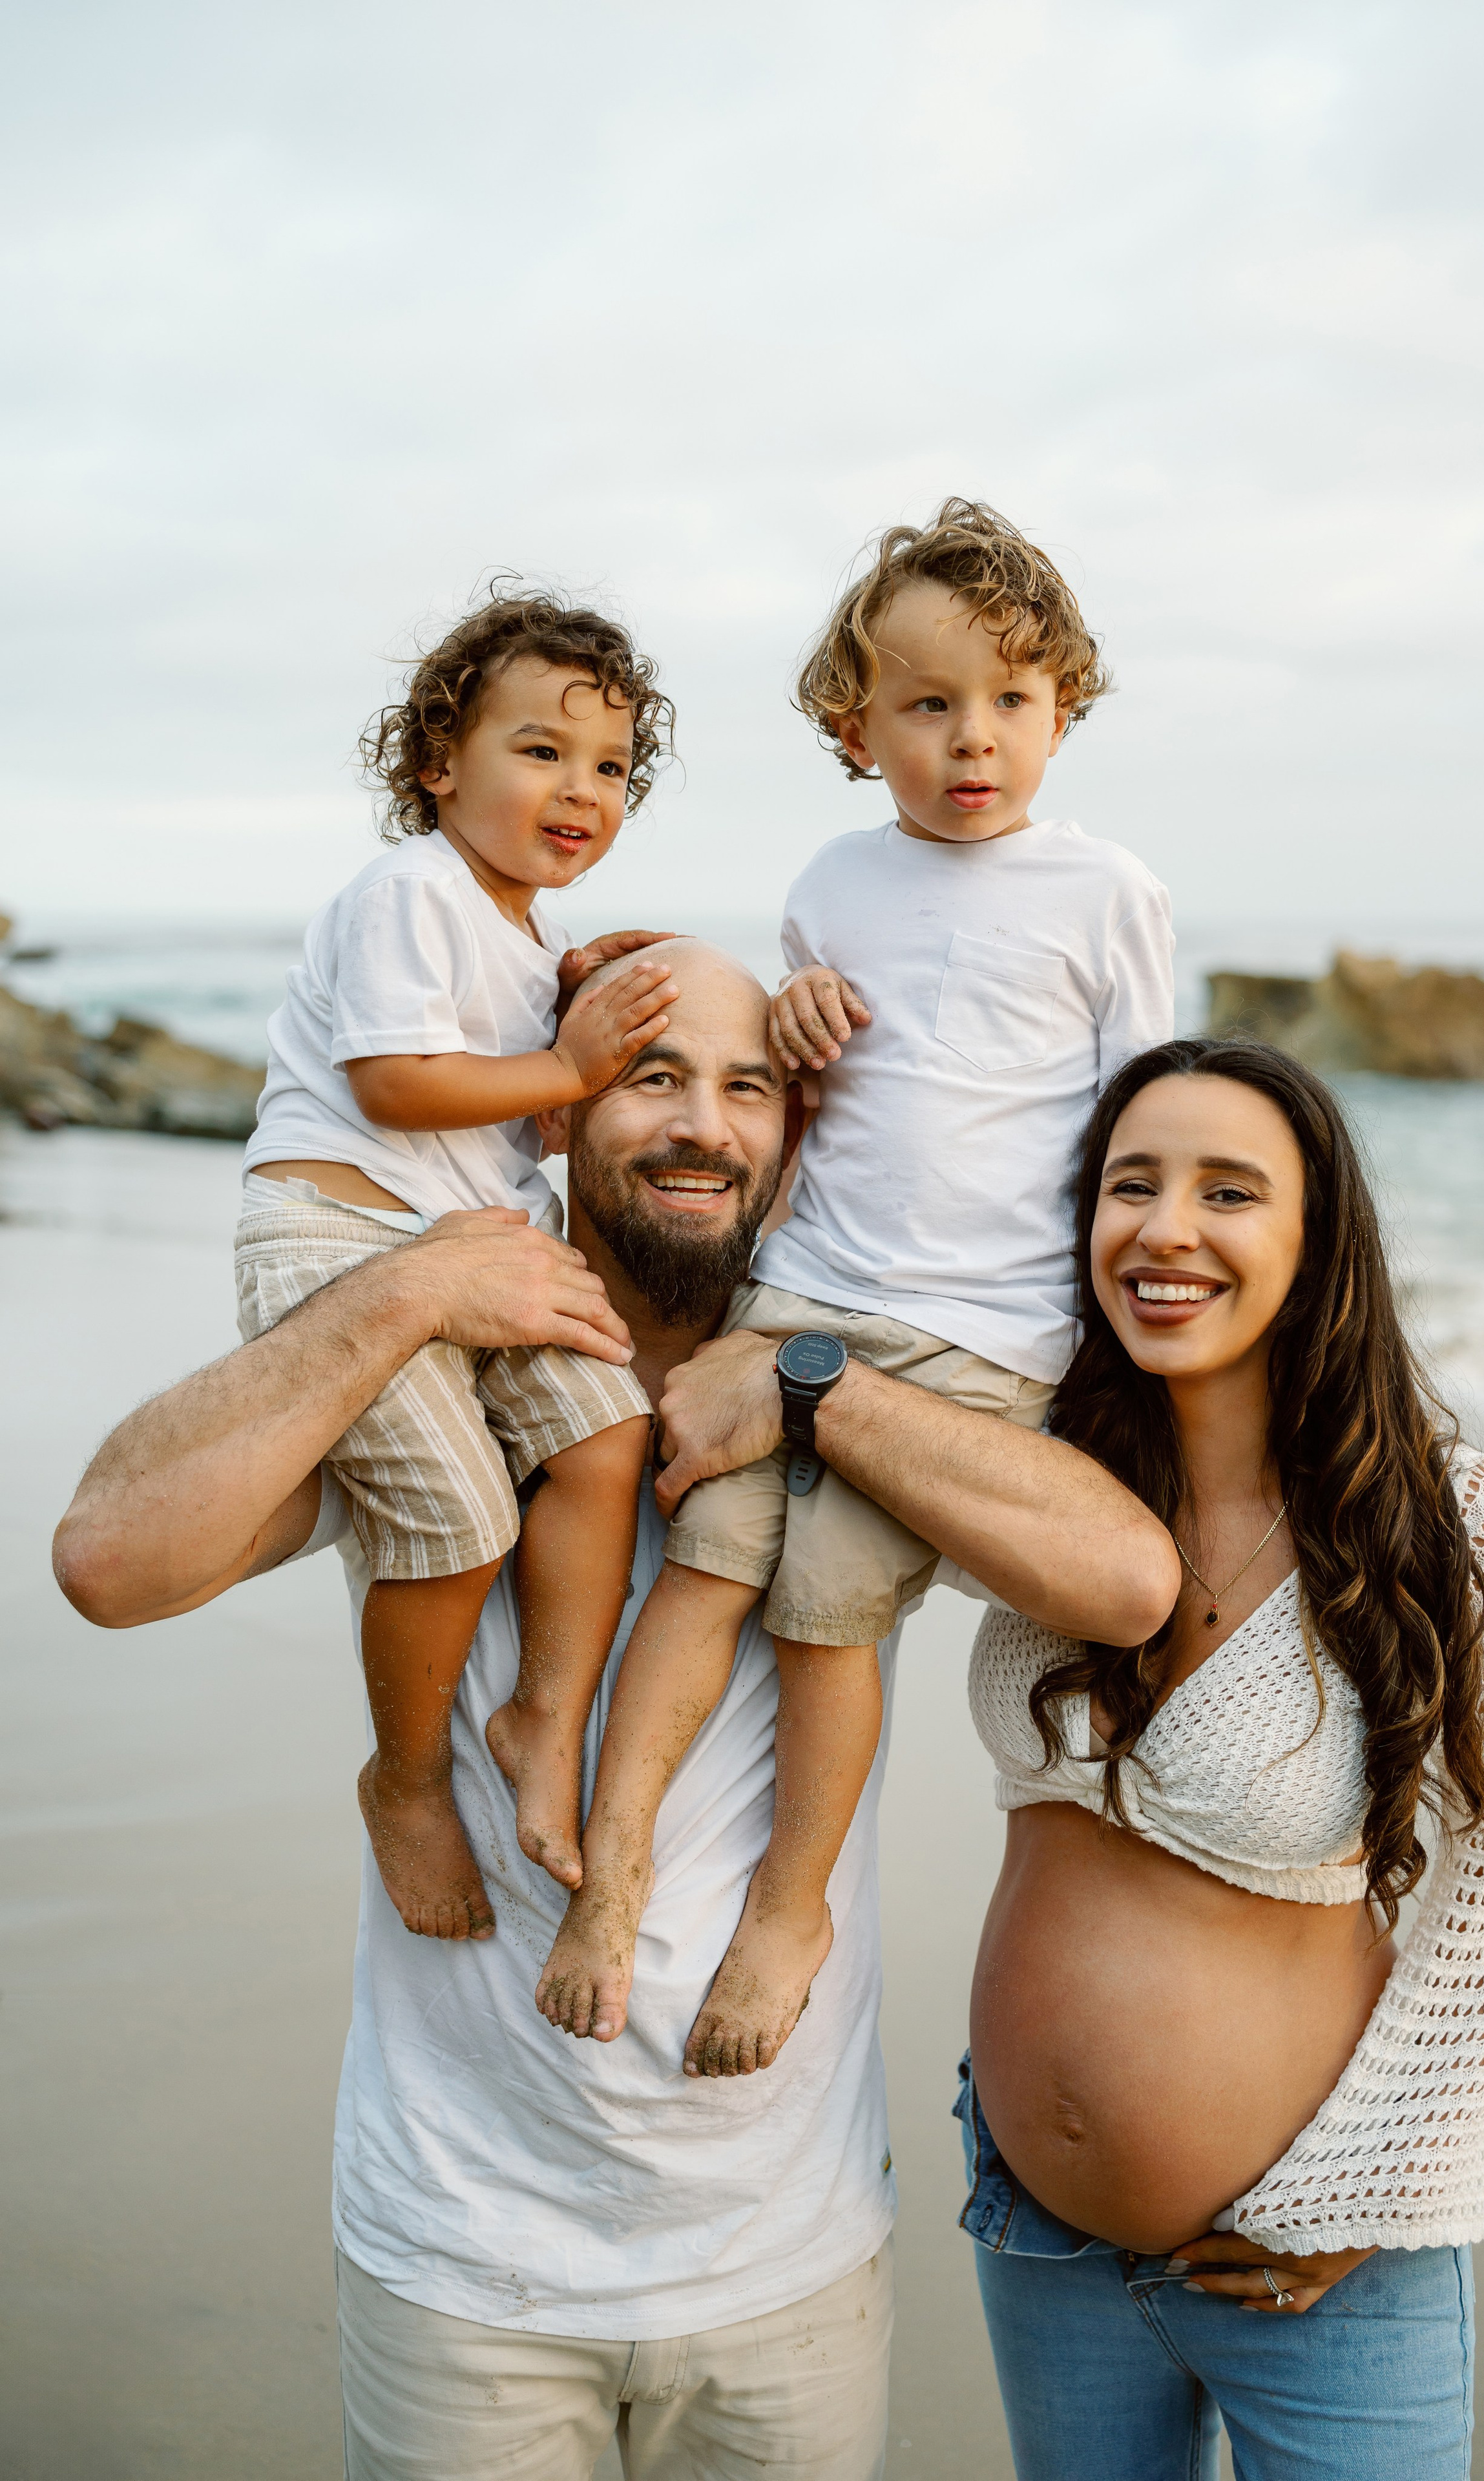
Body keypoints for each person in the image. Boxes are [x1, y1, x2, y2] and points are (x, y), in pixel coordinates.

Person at [53, 939, 1178, 2481]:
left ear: (800, 1133)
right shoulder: (443, 1384)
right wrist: (401, 1290)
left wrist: (807, 1383)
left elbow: (1127, 1584)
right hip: (460, 2261)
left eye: (749, 1088)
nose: (702, 1125)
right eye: (651, 1076)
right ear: (557, 1110)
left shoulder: (854, 1379)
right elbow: (113, 1560)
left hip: (782, 2256)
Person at [543, 497, 1175, 2081]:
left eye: (1012, 703)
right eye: (930, 703)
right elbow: (806, 1074)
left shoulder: (1105, 894)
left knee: (824, 1620)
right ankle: (611, 1872)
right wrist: (802, 1002)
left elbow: (1141, 1117)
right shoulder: (832, 878)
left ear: (1062, 713)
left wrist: (1128, 1357)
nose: (975, 741)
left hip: (973, 1333)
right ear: (855, 725)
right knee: (700, 1564)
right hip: (807, 1290)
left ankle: (787, 1907)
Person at [956, 1038, 1484, 2480]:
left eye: (1226, 1192)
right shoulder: (1040, 1479)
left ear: (1314, 1242)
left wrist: (1368, 2184)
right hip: (1035, 2236)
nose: (1163, 1229)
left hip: (1320, 2264)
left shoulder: (1457, 1524)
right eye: (1129, 1186)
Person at [239, 585, 680, 1942]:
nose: (580, 787)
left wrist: (583, 1043)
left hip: (477, 1250)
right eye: (538, 749)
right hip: (344, 1240)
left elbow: (517, 1114)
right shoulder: (409, 892)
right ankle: (408, 1777)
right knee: (456, 1514)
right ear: (438, 763)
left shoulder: (526, 935)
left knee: (608, 1436)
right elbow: (391, 1083)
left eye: (608, 766)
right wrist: (563, 1063)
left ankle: (543, 1711)